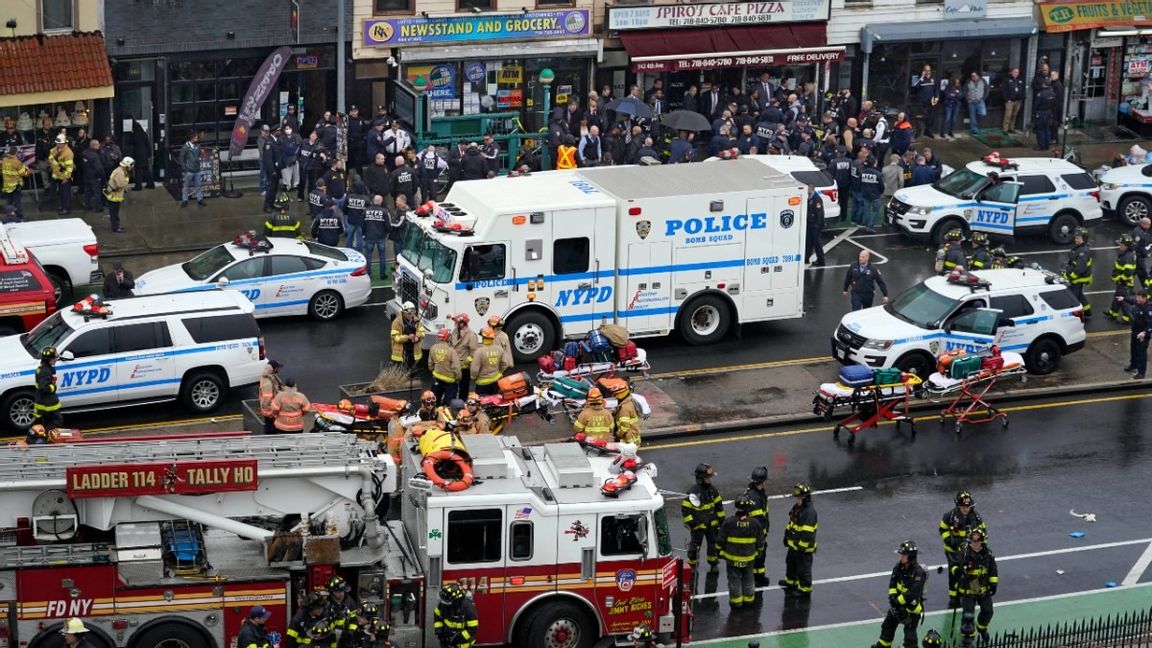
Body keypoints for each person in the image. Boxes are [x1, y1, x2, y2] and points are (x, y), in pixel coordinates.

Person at [870, 541, 926, 648]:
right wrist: (892, 597)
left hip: (911, 610)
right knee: (887, 627)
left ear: (911, 557)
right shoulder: (898, 567)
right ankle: (883, 645)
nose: (901, 557)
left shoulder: (918, 573)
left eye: (903, 555)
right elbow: (893, 583)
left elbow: (912, 594)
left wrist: (897, 602)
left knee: (910, 637)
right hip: (897, 606)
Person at [939, 490, 988, 608]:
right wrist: (949, 540)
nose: (966, 509)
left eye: (968, 506)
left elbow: (983, 533)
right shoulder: (950, 516)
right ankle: (954, 598)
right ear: (958, 505)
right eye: (963, 506)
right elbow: (943, 529)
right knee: (955, 573)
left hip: (970, 551)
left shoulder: (976, 517)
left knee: (971, 571)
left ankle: (976, 593)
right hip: (953, 551)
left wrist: (982, 547)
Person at [717, 495, 764, 610]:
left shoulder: (729, 523)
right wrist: (759, 553)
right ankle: (749, 601)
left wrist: (720, 553)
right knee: (748, 578)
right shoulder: (755, 523)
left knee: (734, 580)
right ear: (749, 508)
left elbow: (720, 541)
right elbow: (760, 542)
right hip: (749, 559)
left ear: (736, 507)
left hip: (732, 559)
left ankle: (736, 602)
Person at [952, 530, 999, 647]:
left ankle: (982, 628)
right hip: (968, 590)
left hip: (983, 590)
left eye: (978, 541)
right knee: (968, 615)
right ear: (970, 541)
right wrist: (957, 572)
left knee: (988, 611)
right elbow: (954, 566)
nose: (976, 543)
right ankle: (969, 637)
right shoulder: (963, 553)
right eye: (974, 541)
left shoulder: (988, 554)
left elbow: (993, 570)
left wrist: (993, 584)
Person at [682, 463, 724, 572]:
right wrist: (692, 524)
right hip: (698, 526)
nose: (710, 480)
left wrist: (721, 523)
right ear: (700, 479)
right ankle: (692, 564)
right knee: (695, 546)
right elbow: (686, 510)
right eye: (707, 478)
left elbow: (719, 507)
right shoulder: (693, 492)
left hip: (712, 525)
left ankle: (713, 563)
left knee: (712, 544)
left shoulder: (713, 490)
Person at [780, 482, 817, 597]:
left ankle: (805, 589)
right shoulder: (797, 508)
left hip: (803, 548)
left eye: (798, 497)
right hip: (794, 545)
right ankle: (791, 582)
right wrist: (786, 537)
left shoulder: (809, 513)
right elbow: (791, 523)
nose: (796, 499)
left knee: (803, 569)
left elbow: (807, 534)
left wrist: (801, 547)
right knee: (791, 564)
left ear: (804, 498)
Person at [433, 583, 478, 648]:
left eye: (447, 602)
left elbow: (473, 629)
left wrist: (458, 638)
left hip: (462, 645)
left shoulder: (469, 609)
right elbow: (437, 615)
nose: (444, 604)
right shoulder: (444, 604)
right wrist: (438, 630)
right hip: (446, 642)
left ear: (457, 601)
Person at [1061, 227, 1094, 316]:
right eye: (1076, 238)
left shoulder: (1083, 251)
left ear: (1084, 239)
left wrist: (1071, 276)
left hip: (1078, 278)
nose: (1076, 240)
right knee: (1079, 295)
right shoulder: (1079, 248)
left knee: (1073, 297)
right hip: (1077, 277)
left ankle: (1075, 315)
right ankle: (1087, 311)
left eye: (1078, 238)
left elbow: (1080, 268)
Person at [1108, 234, 1138, 323]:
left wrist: (1120, 280)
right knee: (1117, 297)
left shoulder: (1128, 257)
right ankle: (1112, 314)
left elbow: (1129, 272)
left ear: (1127, 246)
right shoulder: (1124, 254)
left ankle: (1128, 318)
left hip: (1125, 284)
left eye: (1122, 245)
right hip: (1121, 283)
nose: (1119, 246)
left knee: (1124, 301)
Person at [429, 328, 461, 405]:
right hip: (450, 381)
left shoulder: (433, 348)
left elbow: (430, 364)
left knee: (435, 400)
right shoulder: (451, 351)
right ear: (448, 337)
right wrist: (458, 378)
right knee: (449, 403)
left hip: (437, 378)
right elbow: (456, 368)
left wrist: (434, 372)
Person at [34, 346, 63, 431]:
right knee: (58, 420)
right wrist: (53, 386)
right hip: (48, 403)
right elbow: (44, 388)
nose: (56, 360)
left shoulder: (42, 368)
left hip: (43, 401)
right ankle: (46, 434)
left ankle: (44, 436)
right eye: (55, 358)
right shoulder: (45, 371)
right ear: (50, 359)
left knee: (46, 421)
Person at [391, 302, 425, 371]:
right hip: (402, 353)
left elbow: (422, 333)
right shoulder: (397, 322)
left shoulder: (417, 321)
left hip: (413, 351)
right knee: (401, 373)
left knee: (413, 372)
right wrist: (407, 337)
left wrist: (417, 337)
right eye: (409, 313)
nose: (411, 315)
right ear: (404, 312)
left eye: (413, 313)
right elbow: (395, 337)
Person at [450, 314, 478, 396]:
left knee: (463, 388)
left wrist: (466, 361)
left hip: (464, 368)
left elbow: (474, 352)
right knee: (452, 386)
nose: (455, 324)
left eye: (456, 322)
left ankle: (463, 402)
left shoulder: (471, 335)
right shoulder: (454, 332)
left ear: (462, 323)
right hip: (454, 365)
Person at [1127, 291, 1152, 379]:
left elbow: (1150, 323)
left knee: (1141, 353)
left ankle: (1141, 372)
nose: (1137, 299)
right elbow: (1131, 301)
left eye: (1139, 298)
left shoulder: (1148, 308)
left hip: (1143, 334)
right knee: (1133, 349)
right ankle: (1133, 365)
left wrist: (1144, 332)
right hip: (1135, 331)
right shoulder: (1138, 303)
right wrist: (1123, 299)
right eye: (1137, 297)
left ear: (1144, 298)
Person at [363, 195, 389, 280]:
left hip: (369, 236)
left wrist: (364, 234)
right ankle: (382, 274)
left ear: (373, 200)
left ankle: (368, 274)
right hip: (380, 236)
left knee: (368, 256)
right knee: (382, 256)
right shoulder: (384, 212)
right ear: (381, 202)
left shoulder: (366, 211)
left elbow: (362, 224)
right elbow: (388, 226)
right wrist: (385, 233)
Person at [609, 379, 641, 446]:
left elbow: (624, 428)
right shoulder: (629, 401)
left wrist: (617, 435)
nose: (614, 397)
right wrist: (614, 412)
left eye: (615, 394)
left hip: (627, 441)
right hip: (633, 437)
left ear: (620, 394)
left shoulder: (624, 408)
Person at [105, 157, 133, 234]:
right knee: (114, 212)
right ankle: (115, 227)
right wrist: (126, 184)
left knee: (115, 212)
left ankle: (116, 225)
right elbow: (120, 184)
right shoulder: (120, 172)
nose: (132, 167)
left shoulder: (121, 170)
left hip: (115, 194)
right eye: (131, 165)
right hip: (114, 196)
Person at [49, 133, 74, 215]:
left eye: (60, 143)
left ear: (64, 143)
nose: (58, 144)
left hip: (64, 176)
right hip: (56, 175)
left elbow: (69, 167)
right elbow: (50, 157)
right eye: (57, 143)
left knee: (65, 193)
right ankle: (62, 206)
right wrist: (55, 163)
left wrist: (66, 178)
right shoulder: (54, 149)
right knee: (60, 192)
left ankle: (66, 208)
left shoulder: (68, 153)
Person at [262, 125, 285, 212]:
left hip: (277, 169)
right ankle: (267, 205)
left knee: (275, 188)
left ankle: (271, 204)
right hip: (272, 170)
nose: (280, 132)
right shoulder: (269, 143)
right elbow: (268, 159)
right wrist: (272, 171)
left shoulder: (277, 141)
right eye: (278, 130)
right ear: (274, 132)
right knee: (271, 187)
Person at [856, 156, 883, 232]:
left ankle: (866, 224)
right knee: (876, 210)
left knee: (866, 210)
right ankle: (870, 226)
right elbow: (881, 186)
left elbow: (859, 183)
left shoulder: (863, 173)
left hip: (865, 194)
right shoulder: (878, 174)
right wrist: (880, 192)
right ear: (874, 163)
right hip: (875, 195)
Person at [258, 360, 285, 435]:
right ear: (274, 369)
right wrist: (272, 412)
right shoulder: (268, 382)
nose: (279, 369)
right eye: (278, 368)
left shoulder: (269, 376)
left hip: (271, 410)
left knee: (272, 427)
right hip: (270, 412)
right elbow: (267, 399)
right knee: (270, 429)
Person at [912, 64, 939, 138]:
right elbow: (915, 86)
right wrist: (922, 77)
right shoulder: (919, 78)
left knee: (930, 117)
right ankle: (918, 132)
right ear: (923, 71)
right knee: (919, 117)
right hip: (921, 102)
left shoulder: (932, 79)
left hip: (930, 101)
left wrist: (937, 97)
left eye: (929, 70)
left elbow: (935, 89)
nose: (928, 72)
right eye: (926, 70)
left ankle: (928, 131)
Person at [1, 147, 29, 219]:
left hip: (7, 185)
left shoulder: (4, 160)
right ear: (16, 153)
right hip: (16, 186)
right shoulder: (16, 162)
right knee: (17, 203)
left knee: (9, 202)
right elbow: (24, 174)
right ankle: (19, 217)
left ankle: (8, 217)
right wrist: (27, 170)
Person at [180, 132, 206, 207]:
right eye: (196, 138)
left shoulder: (198, 146)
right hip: (189, 170)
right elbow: (182, 159)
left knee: (198, 186)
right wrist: (184, 168)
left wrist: (201, 153)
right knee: (186, 186)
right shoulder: (185, 147)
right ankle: (185, 200)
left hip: (197, 169)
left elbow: (200, 155)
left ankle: (200, 199)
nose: (197, 139)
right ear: (192, 138)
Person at [80, 139, 104, 212]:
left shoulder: (84, 153)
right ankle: (98, 207)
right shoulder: (95, 156)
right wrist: (102, 176)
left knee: (87, 192)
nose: (99, 146)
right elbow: (99, 168)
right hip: (95, 177)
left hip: (86, 176)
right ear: (94, 145)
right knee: (97, 192)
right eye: (98, 145)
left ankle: (87, 206)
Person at [805, 185, 826, 267]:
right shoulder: (810, 197)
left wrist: (817, 224)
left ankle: (821, 260)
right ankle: (806, 258)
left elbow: (819, 212)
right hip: (810, 223)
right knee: (809, 241)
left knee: (817, 243)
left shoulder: (816, 199)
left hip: (815, 224)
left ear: (811, 189)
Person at [1033, 83, 1057, 151]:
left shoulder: (1041, 94)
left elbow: (1036, 104)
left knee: (1040, 129)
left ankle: (1041, 146)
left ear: (1043, 85)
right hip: (1048, 112)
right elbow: (1054, 104)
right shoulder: (1052, 94)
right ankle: (1047, 145)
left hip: (1041, 112)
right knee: (1047, 129)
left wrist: (1035, 112)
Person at [1002, 68, 1026, 133]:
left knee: (1014, 115)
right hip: (1010, 101)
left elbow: (1023, 90)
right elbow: (1004, 90)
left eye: (1017, 72)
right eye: (1015, 72)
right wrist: (1007, 99)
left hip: (1018, 101)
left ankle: (1011, 128)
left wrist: (1022, 98)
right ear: (1011, 72)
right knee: (1008, 115)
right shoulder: (1007, 80)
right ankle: (1005, 129)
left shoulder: (1020, 80)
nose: (1016, 74)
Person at [965, 71, 989, 136]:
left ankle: (978, 124)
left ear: (978, 76)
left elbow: (987, 90)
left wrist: (983, 98)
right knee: (972, 117)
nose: (973, 77)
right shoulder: (968, 81)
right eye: (972, 76)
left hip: (980, 101)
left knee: (983, 113)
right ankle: (974, 130)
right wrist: (968, 99)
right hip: (971, 102)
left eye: (974, 76)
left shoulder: (983, 81)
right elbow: (965, 91)